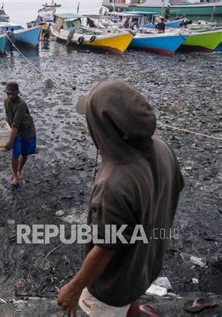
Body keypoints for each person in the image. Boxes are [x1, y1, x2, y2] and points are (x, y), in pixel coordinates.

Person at [57, 80, 184, 317]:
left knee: (109, 305)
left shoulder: (113, 182)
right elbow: (175, 187)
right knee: (129, 298)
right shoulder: (163, 148)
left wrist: (74, 288)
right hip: (146, 263)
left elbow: (106, 246)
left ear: (102, 127)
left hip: (111, 285)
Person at [3, 82, 36, 186]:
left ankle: (19, 169)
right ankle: (15, 176)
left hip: (27, 130)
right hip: (15, 130)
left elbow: (16, 124)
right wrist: (8, 135)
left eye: (13, 94)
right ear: (6, 93)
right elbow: (9, 118)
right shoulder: (6, 101)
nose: (11, 96)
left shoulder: (21, 104)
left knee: (25, 154)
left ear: (17, 93)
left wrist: (9, 142)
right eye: (9, 94)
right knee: (15, 154)